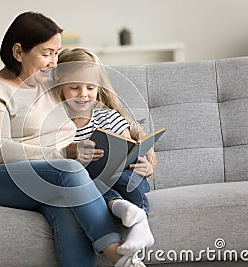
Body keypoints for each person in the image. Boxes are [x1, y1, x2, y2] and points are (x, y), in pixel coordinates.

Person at [0, 11, 148, 267]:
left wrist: (140, 145)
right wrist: (65, 153)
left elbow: (96, 96)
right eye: (46, 53)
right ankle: (117, 254)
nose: (54, 62)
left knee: (70, 212)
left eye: (57, 52)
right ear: (18, 52)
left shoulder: (49, 85)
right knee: (69, 170)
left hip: (52, 178)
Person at [52, 47, 156, 256]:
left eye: (90, 88)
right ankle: (118, 206)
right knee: (89, 184)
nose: (83, 94)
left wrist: (147, 163)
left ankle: (140, 223)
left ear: (98, 89)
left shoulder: (108, 117)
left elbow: (131, 148)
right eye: (74, 88)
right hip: (91, 183)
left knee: (125, 178)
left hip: (125, 177)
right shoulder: (56, 126)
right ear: (59, 86)